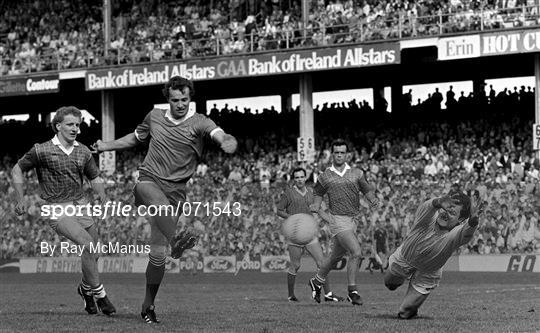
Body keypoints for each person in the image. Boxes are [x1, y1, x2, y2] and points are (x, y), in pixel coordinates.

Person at [92, 76, 237, 324]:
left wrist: (226, 140)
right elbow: (135, 138)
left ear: (190, 98)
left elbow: (217, 133)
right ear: (167, 99)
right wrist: (106, 146)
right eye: (175, 100)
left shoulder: (199, 122)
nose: (180, 104)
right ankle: (177, 239)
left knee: (158, 257)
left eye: (185, 99)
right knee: (157, 204)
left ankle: (148, 306)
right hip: (148, 181)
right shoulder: (154, 117)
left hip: (176, 193)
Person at [11, 106, 116, 316]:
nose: (75, 128)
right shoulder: (41, 150)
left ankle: (84, 290)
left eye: (77, 124)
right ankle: (100, 294)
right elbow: (17, 169)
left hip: (81, 205)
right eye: (70, 124)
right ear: (58, 126)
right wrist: (20, 198)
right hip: (55, 208)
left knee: (95, 252)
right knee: (87, 244)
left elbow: (94, 177)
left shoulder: (83, 151)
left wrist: (102, 195)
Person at [384, 190, 482, 319]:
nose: (445, 213)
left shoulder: (455, 234)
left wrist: (473, 221)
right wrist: (437, 202)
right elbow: (427, 206)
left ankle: (412, 308)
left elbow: (466, 233)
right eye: (445, 208)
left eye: (452, 213)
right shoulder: (428, 217)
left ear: (461, 219)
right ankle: (401, 279)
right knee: (390, 284)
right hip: (404, 258)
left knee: (405, 313)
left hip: (428, 272)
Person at [308, 139, 380, 306]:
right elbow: (318, 193)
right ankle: (352, 292)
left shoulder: (357, 173)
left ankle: (317, 281)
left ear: (347, 154)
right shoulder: (325, 176)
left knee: (334, 257)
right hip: (337, 219)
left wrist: (372, 199)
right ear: (332, 154)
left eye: (342, 152)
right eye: (336, 152)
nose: (339, 155)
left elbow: (366, 189)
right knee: (356, 252)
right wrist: (317, 206)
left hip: (352, 220)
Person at [276, 167, 343, 303]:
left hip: (309, 233)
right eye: (297, 177)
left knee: (322, 263)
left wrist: (330, 220)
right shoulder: (288, 193)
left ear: (305, 177)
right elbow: (279, 210)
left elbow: (319, 209)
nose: (300, 179)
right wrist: (292, 218)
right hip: (295, 235)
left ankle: (328, 294)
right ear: (294, 179)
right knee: (295, 265)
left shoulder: (312, 193)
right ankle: (291, 296)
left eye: (302, 177)